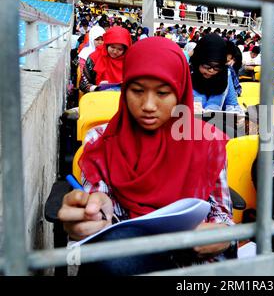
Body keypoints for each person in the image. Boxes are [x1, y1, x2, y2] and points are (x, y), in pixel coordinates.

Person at [58, 37, 236, 275]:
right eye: (137, 90)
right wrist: (93, 215)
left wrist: (222, 236)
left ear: (181, 92)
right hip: (124, 256)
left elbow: (222, 215)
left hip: (188, 263)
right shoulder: (100, 140)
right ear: (125, 89)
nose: (148, 105)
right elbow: (99, 202)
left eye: (163, 93)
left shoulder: (208, 142)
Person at [190, 34, 242, 113]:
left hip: (215, 123)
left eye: (217, 67)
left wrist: (237, 115)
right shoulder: (187, 74)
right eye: (207, 65)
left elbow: (232, 104)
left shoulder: (225, 75)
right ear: (198, 61)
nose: (211, 70)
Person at [79, 26, 132, 93]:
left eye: (120, 49)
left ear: (125, 50)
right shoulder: (94, 58)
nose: (115, 51)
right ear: (107, 45)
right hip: (97, 99)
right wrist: (96, 88)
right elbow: (83, 83)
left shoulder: (130, 62)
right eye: (112, 47)